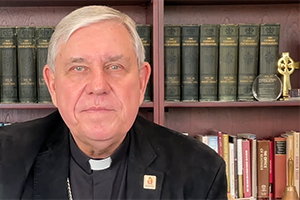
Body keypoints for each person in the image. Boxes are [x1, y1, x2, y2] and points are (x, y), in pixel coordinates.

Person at [0, 5, 227, 200]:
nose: (98, 86)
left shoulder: (199, 170)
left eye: (115, 67)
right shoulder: (5, 158)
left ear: (141, 82)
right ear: (53, 85)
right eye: (78, 68)